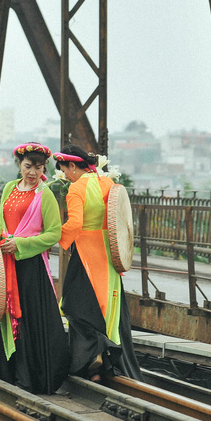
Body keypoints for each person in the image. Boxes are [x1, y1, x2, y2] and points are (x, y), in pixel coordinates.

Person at [53, 144, 142, 382]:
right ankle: (108, 358)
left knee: (75, 304)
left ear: (72, 166)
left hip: (86, 253)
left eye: (63, 169)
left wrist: (51, 237)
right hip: (111, 253)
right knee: (109, 307)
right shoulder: (107, 183)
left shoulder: (75, 189)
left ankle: (92, 356)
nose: (64, 174)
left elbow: (75, 225)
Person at [0, 142, 70, 394]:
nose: (32, 172)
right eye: (27, 166)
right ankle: (8, 372)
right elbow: (1, 219)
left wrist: (20, 244)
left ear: (43, 168)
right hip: (7, 262)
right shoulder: (9, 188)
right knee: (5, 314)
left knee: (28, 320)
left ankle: (30, 377)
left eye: (38, 167)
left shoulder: (44, 195)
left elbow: (54, 233)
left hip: (31, 268)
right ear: (19, 166)